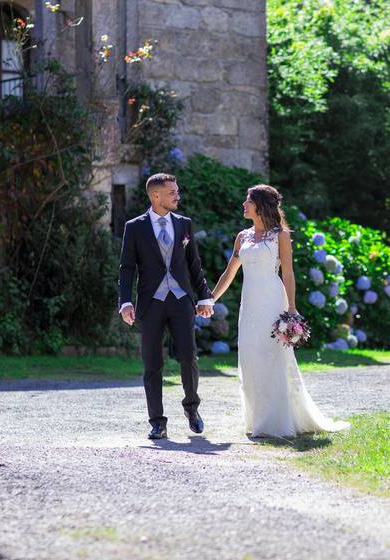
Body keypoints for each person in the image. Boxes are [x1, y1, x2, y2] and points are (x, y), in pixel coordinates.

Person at [209, 184, 349, 437]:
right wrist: (210, 299)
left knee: (272, 357)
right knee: (250, 357)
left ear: (260, 205)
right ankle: (257, 420)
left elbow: (288, 273)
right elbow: (230, 272)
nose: (243, 204)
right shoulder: (243, 236)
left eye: (248, 201)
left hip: (273, 301)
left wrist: (292, 308)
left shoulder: (280, 236)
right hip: (249, 303)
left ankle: (277, 422)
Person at [118, 173, 214, 440]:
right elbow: (126, 268)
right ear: (155, 196)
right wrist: (125, 301)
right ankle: (157, 422)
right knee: (152, 364)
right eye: (172, 192)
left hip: (182, 301)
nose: (177, 196)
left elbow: (194, 264)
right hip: (151, 304)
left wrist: (204, 296)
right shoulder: (134, 227)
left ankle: (192, 409)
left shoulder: (184, 224)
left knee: (188, 357)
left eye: (177, 191)